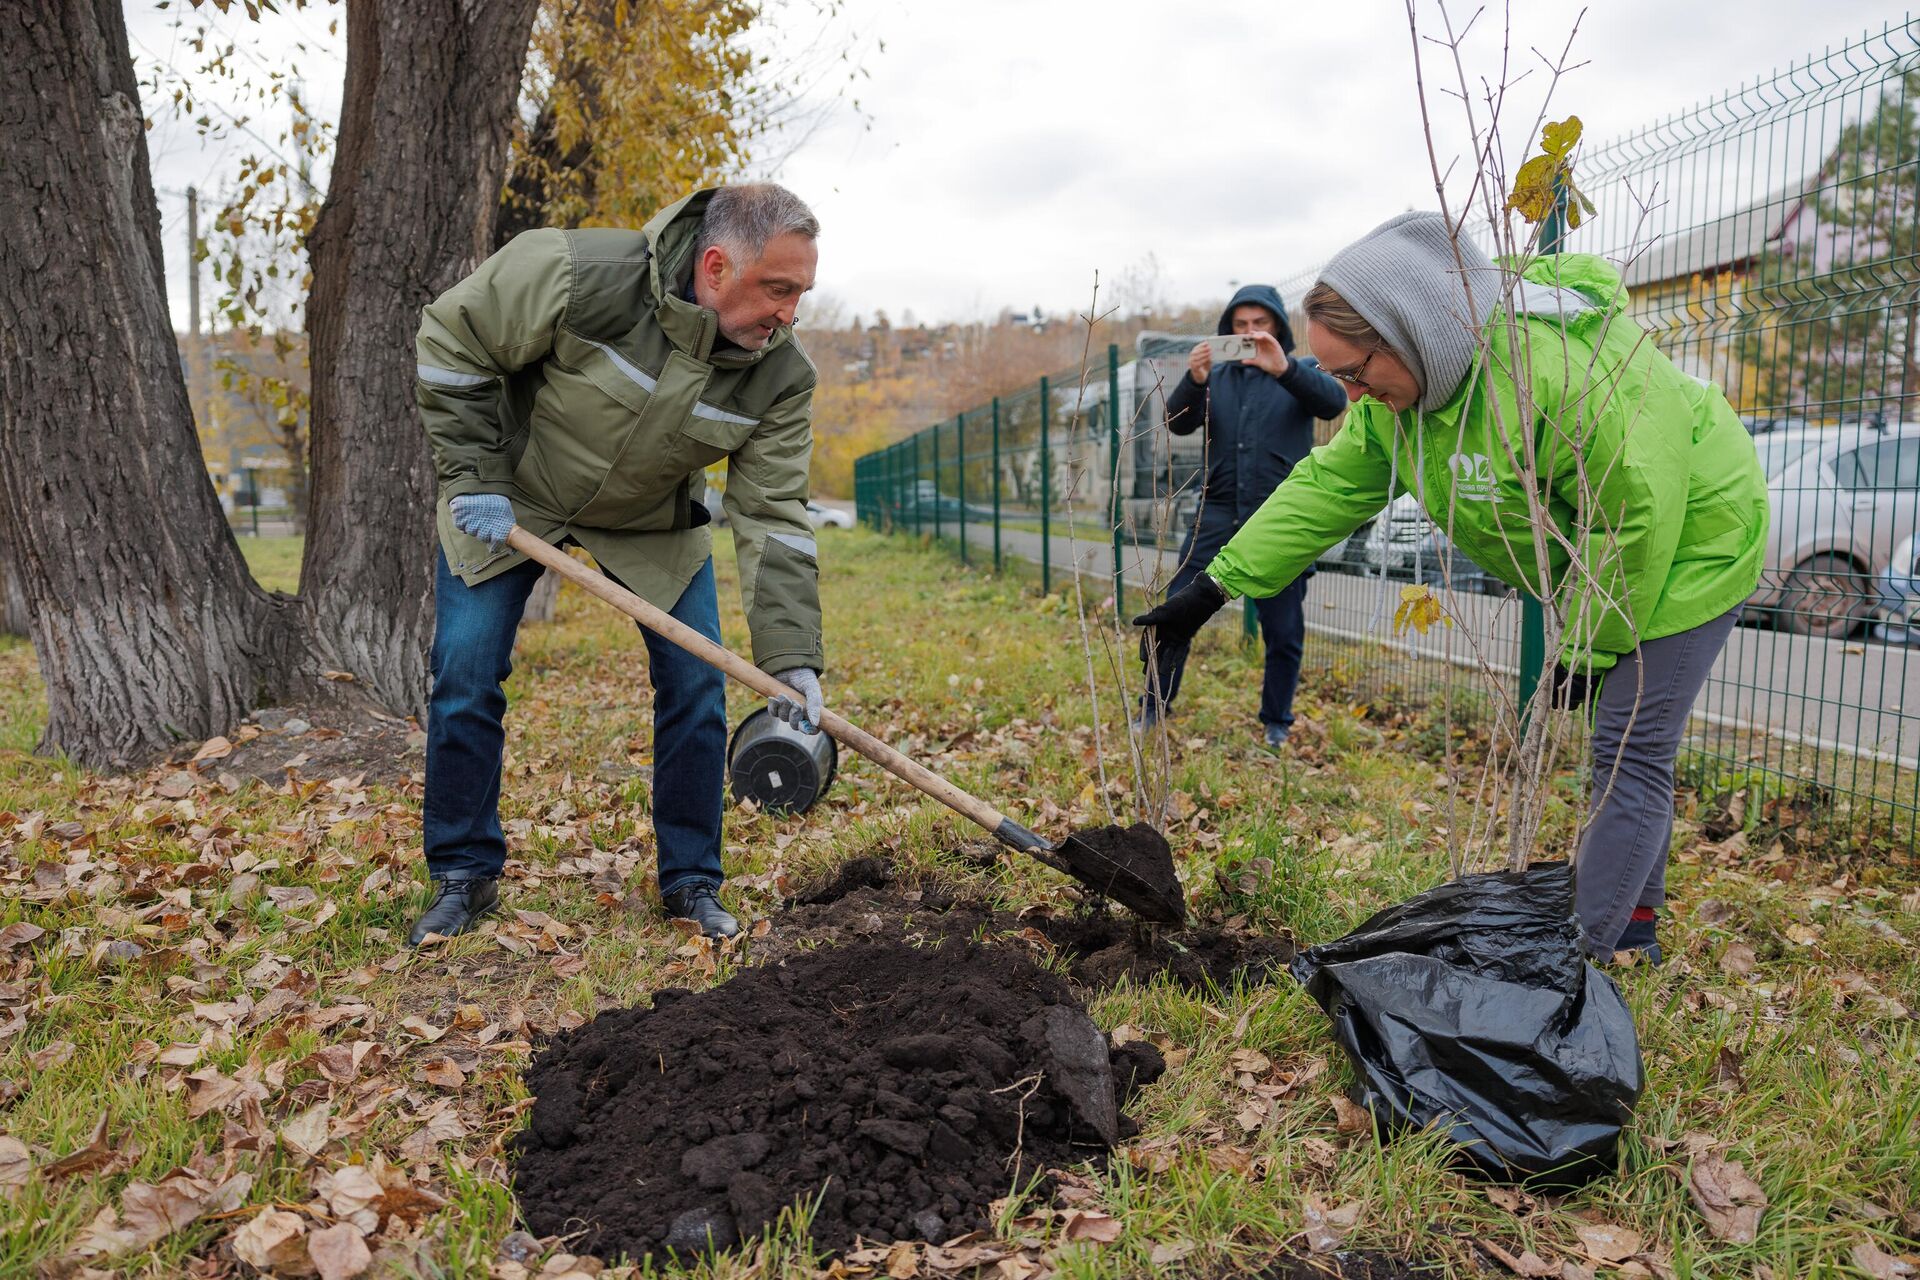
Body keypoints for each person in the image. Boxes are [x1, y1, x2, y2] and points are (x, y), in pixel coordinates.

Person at [1133, 212, 1768, 963]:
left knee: (1630, 742)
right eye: (1337, 378)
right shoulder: (1400, 406)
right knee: (1624, 740)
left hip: (1696, 536)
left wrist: (1591, 649)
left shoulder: (1552, 376)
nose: (1351, 393)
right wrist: (1211, 590)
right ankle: (1629, 925)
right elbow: (1324, 491)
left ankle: (1594, 958)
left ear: (1411, 334)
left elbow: (1635, 515)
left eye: (1356, 372)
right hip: (1621, 550)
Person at [410, 183, 828, 946]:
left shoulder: (780, 376)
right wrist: (474, 477)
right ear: (713, 266)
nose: (789, 314)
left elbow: (774, 516)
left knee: (695, 683)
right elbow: (450, 337)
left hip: (649, 521)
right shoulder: (576, 273)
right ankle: (462, 875)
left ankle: (692, 881)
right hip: (512, 499)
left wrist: (793, 657)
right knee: (466, 674)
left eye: (800, 293)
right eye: (777, 289)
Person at [1138, 286, 1346, 747]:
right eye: (1240, 325)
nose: (1250, 332)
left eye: (1260, 323)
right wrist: (1194, 378)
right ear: (1228, 330)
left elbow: (1335, 403)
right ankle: (1153, 706)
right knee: (1175, 614)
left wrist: (1286, 369)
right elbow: (1175, 423)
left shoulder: (1303, 370)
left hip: (1280, 521)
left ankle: (1276, 722)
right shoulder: (1216, 376)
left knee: (1283, 631)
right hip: (1214, 516)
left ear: (1277, 327)